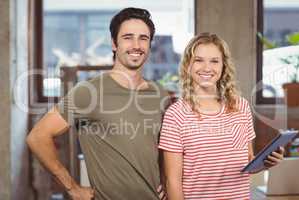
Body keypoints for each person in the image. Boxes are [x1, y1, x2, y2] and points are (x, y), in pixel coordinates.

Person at [27, 7, 169, 200]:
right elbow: (37, 137)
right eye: (128, 37)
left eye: (143, 38)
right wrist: (72, 187)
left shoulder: (159, 94)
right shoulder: (88, 92)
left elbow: (163, 148)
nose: (136, 45)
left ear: (150, 45)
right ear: (113, 44)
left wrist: (167, 181)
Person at [158, 32, 284, 200]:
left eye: (214, 61)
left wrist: (265, 162)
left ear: (224, 66)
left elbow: (248, 164)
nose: (207, 68)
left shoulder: (241, 107)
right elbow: (172, 181)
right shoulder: (176, 115)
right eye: (199, 60)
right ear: (188, 65)